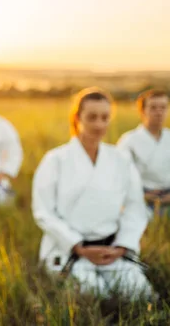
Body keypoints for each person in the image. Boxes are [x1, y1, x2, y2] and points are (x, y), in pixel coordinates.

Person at [32, 87, 153, 299]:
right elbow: (44, 212)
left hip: (111, 249)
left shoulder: (120, 159)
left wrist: (122, 246)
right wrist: (78, 246)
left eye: (105, 118)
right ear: (77, 118)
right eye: (92, 117)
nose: (99, 124)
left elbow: (135, 206)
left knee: (141, 294)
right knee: (95, 296)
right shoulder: (55, 160)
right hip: (68, 250)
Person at [117, 89, 170, 217]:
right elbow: (119, 177)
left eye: (163, 107)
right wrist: (145, 196)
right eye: (153, 108)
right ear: (142, 111)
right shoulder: (129, 141)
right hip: (142, 199)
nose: (159, 112)